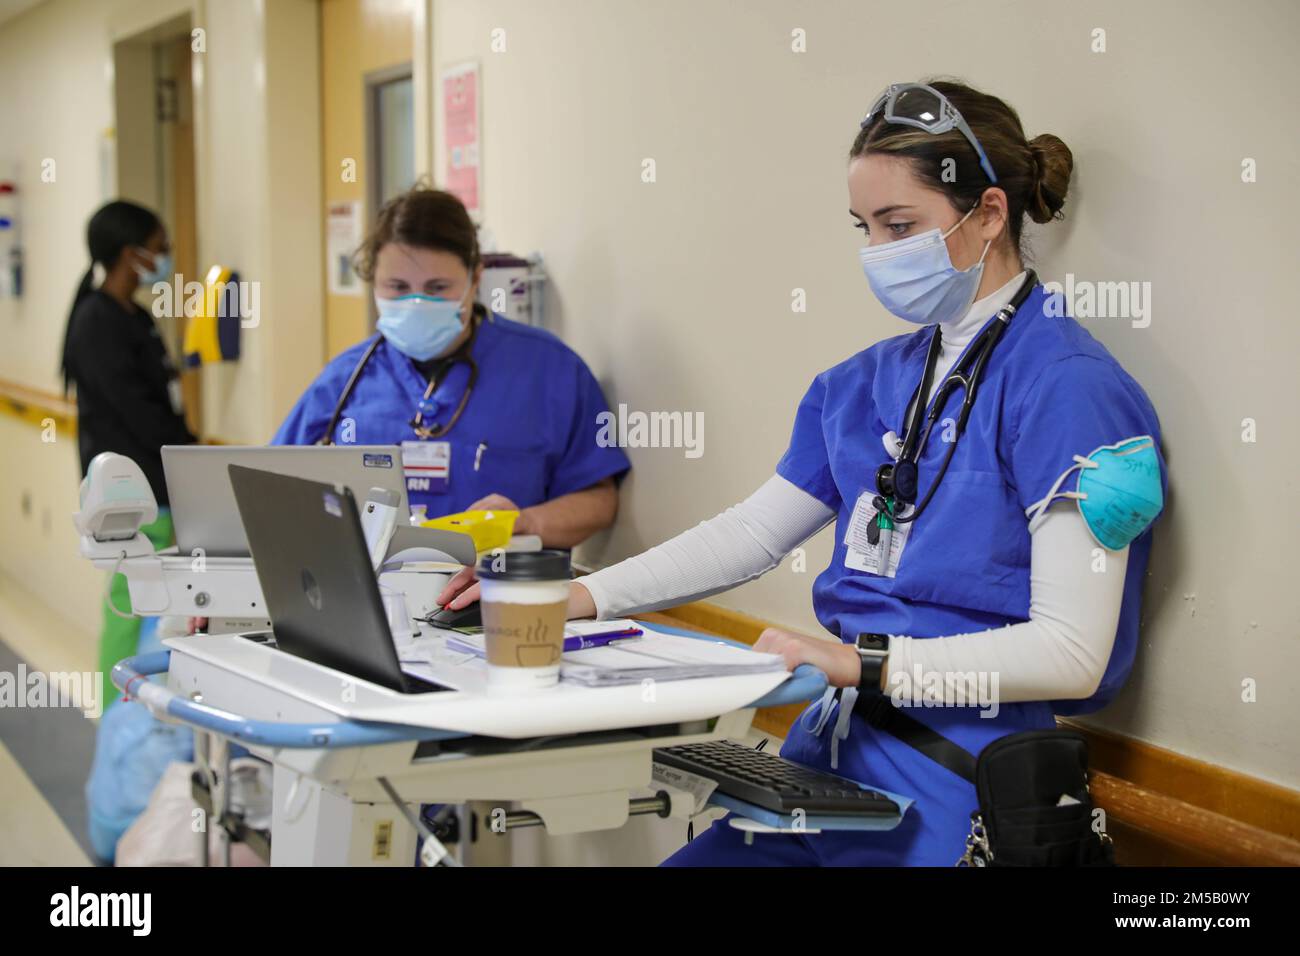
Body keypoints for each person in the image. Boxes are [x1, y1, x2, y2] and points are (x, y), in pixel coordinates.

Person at [438, 80, 1166, 866]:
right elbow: (754, 532)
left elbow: (1072, 652)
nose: (879, 253)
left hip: (962, 785)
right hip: (829, 766)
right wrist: (579, 596)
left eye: (900, 226)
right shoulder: (867, 383)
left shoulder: (1071, 389)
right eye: (866, 229)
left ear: (990, 214)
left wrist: (867, 663)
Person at [273, 186, 630, 548]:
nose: (416, 302)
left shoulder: (549, 371)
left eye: (437, 287)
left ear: (475, 278)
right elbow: (272, 485)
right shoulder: (344, 379)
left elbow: (599, 499)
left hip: (498, 593)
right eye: (397, 286)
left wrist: (526, 522)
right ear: (374, 282)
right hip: (369, 596)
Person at [61, 200, 196, 696]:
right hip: (131, 494)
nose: (166, 258)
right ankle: (119, 710)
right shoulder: (97, 323)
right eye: (160, 248)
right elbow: (138, 414)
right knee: (129, 603)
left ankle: (140, 706)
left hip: (156, 485)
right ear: (129, 253)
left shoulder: (132, 317)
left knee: (148, 601)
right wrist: (188, 459)